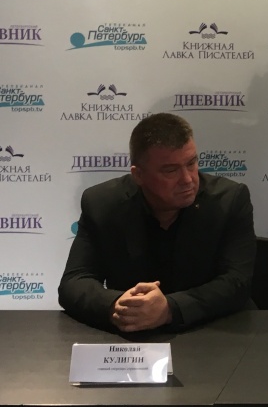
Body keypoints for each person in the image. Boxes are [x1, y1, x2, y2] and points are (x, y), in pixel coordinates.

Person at [58, 113, 256, 332]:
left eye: (191, 163)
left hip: (215, 332)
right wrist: (117, 306)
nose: (188, 179)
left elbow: (237, 282)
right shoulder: (102, 203)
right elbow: (74, 282)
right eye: (171, 170)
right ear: (138, 175)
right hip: (133, 336)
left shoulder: (229, 200)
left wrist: (170, 309)